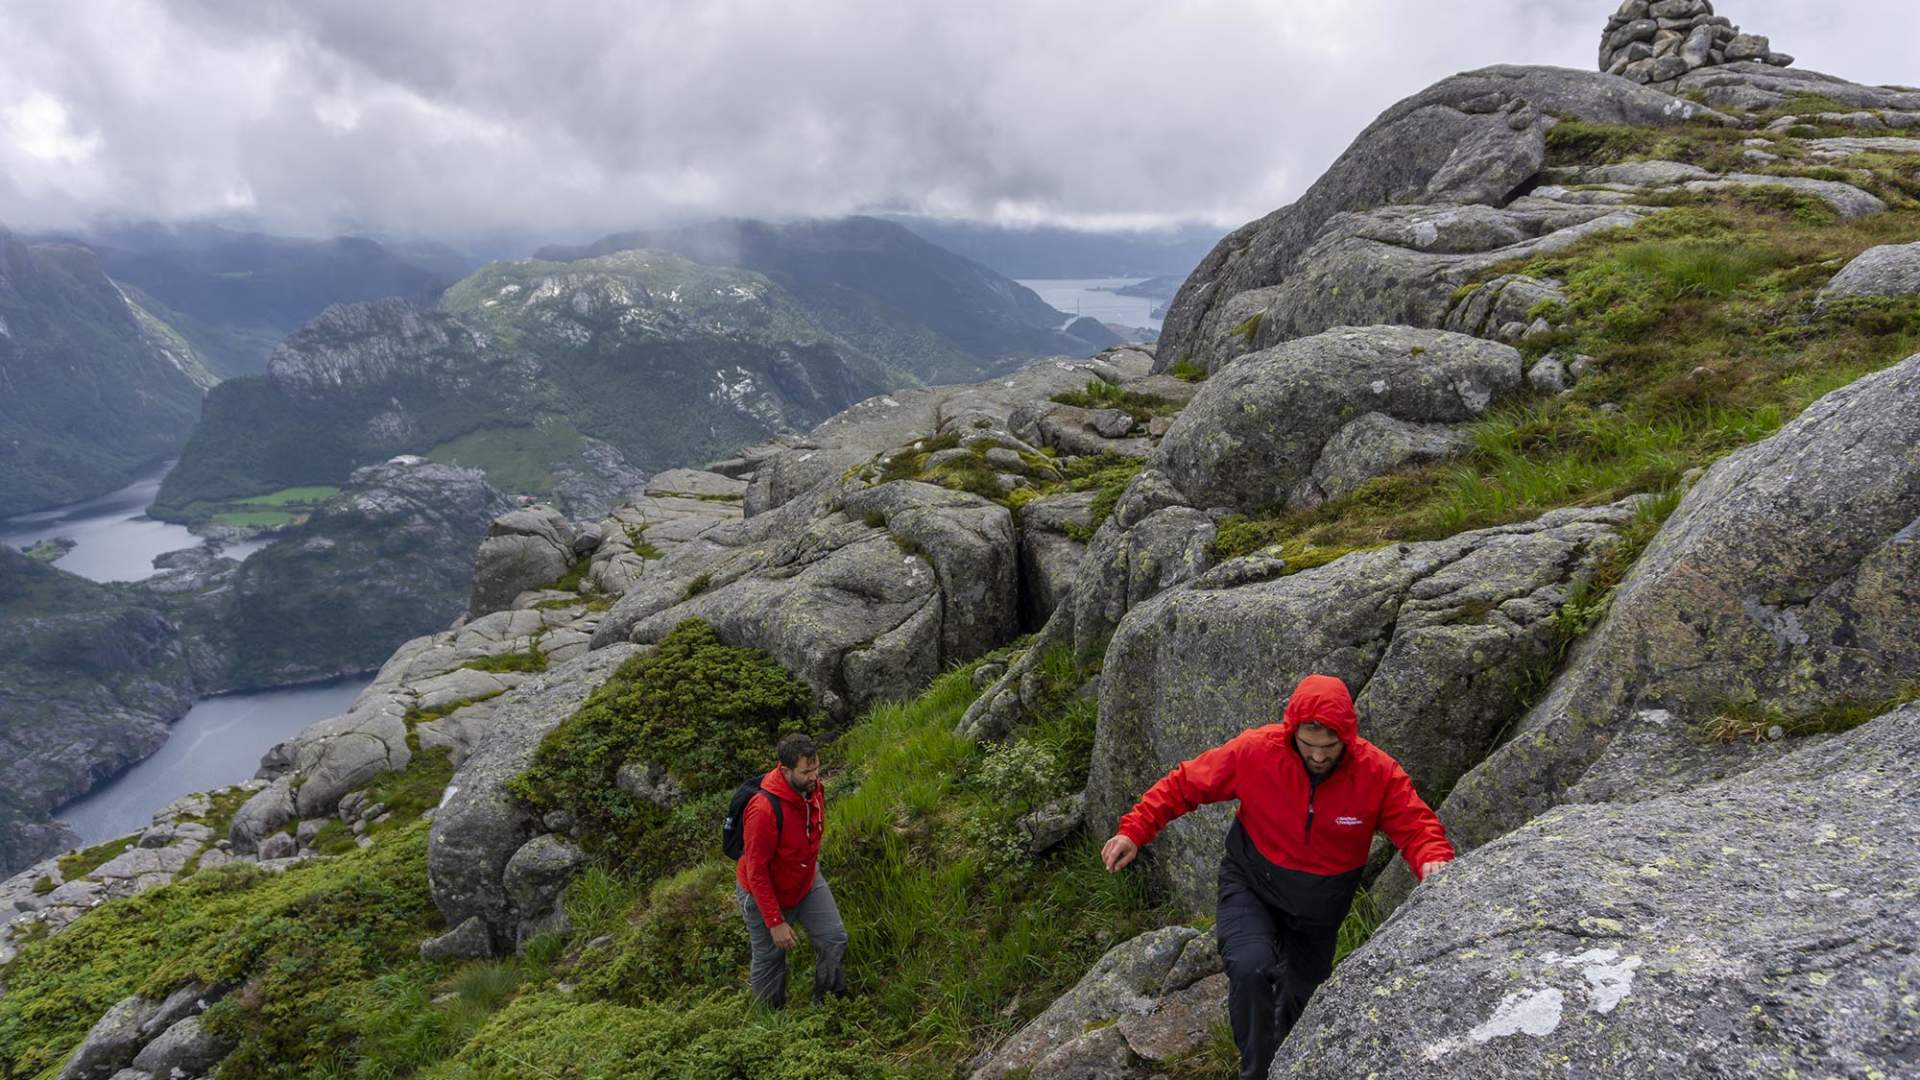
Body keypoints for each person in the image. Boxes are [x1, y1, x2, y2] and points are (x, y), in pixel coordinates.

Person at [1101, 674, 1453, 1080]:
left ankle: (1289, 1067)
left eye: (1330, 747)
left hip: (1320, 908)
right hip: (1253, 884)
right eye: (1309, 745)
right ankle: (1256, 1073)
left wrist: (1433, 859)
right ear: (1292, 733)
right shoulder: (1256, 752)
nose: (1319, 756)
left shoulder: (1377, 773)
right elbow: (1185, 784)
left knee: (1302, 1001)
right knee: (1251, 968)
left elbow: (1416, 824)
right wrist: (1134, 829)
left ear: (1349, 739)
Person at [735, 732, 850, 1007]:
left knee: (834, 938)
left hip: (805, 878)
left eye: (817, 768)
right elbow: (757, 871)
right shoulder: (763, 810)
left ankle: (827, 1005)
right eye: (806, 771)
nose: (815, 777)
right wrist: (775, 922)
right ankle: (771, 1022)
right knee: (770, 960)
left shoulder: (813, 788)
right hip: (766, 890)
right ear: (785, 770)